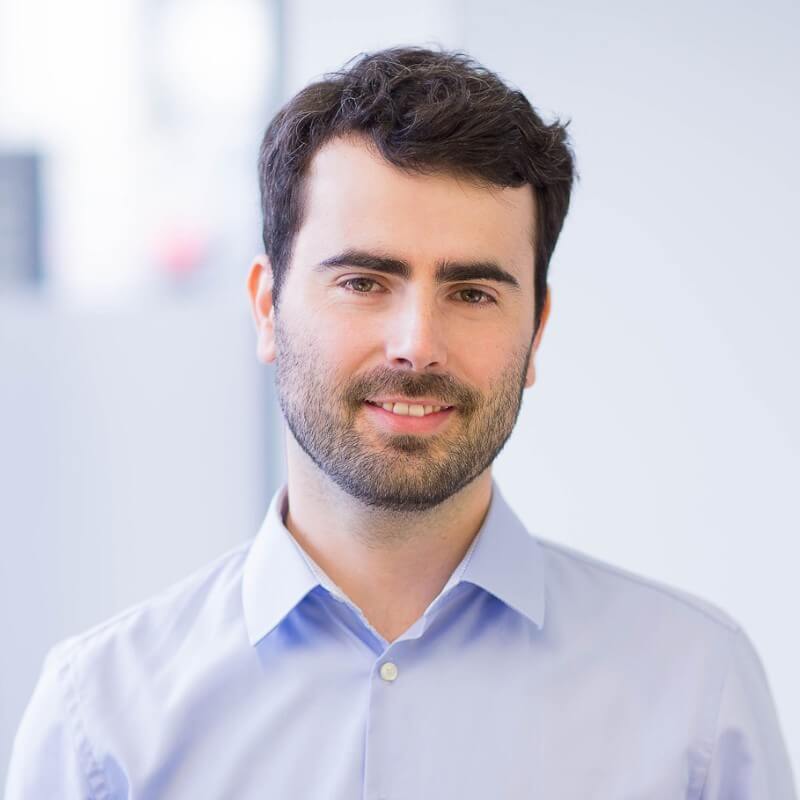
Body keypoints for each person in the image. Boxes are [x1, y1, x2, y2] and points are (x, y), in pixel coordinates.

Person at [5, 46, 796, 799]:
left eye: (474, 293)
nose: (417, 345)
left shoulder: (697, 695)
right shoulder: (99, 722)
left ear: (537, 330)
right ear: (267, 308)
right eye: (364, 281)